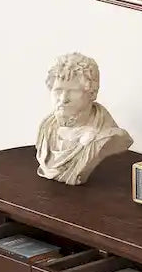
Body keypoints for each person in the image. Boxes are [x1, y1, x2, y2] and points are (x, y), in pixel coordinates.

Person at [36, 53, 133, 185]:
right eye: (58, 90)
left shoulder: (107, 136)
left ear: (92, 93)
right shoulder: (47, 127)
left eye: (73, 91)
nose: (63, 99)